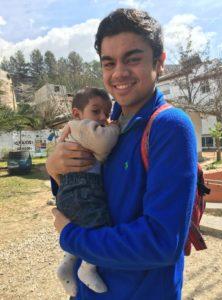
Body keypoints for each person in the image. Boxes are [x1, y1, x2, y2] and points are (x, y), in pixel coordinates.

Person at [47, 8, 197, 300]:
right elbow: (93, 187)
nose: (118, 73)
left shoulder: (169, 127)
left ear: (160, 62)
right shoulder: (107, 125)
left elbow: (160, 242)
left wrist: (72, 237)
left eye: (133, 59)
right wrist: (54, 170)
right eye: (109, 63)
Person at [55, 87, 119, 297]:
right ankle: (87, 268)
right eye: (96, 111)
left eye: (108, 113)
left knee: (81, 227)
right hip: (82, 188)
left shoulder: (77, 128)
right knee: (98, 226)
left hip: (72, 190)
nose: (103, 118)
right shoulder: (80, 127)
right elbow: (104, 142)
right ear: (76, 114)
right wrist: (116, 127)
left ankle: (66, 265)